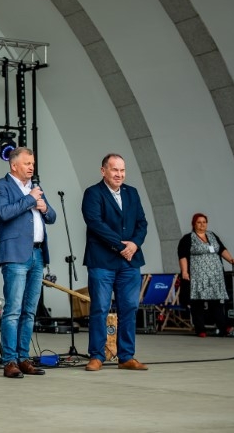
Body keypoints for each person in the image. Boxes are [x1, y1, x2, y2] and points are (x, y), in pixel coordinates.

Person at [0, 147, 56, 379]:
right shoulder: (0, 186)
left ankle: (24, 357)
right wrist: (30, 199)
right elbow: (4, 213)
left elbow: (52, 217)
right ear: (13, 165)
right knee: (13, 310)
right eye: (27, 163)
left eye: (33, 163)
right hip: (15, 255)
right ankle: (9, 360)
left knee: (29, 311)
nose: (31, 167)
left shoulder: (35, 188)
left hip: (37, 254)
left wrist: (44, 207)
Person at [82, 153, 148, 372]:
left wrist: (134, 245)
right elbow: (95, 224)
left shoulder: (132, 192)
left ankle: (126, 356)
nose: (119, 174)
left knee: (129, 308)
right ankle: (97, 355)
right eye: (114, 169)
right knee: (100, 308)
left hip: (130, 261)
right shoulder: (93, 193)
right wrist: (121, 246)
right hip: (102, 261)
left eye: (122, 170)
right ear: (104, 171)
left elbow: (142, 223)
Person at [178, 213, 234, 338]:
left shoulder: (212, 235)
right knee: (197, 303)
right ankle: (200, 329)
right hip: (198, 276)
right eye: (199, 222)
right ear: (194, 224)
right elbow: (182, 255)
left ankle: (223, 327)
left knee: (216, 302)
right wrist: (184, 271)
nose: (202, 225)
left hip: (215, 276)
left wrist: (230, 259)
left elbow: (221, 249)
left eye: (204, 222)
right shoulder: (188, 238)